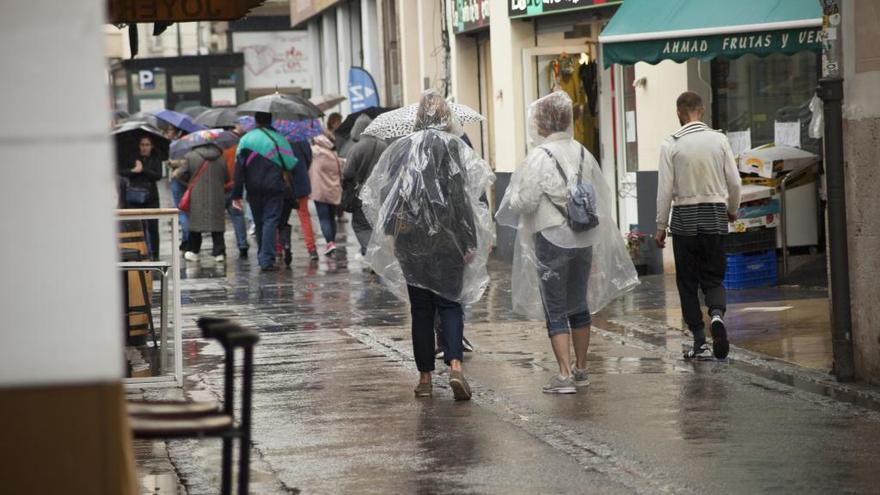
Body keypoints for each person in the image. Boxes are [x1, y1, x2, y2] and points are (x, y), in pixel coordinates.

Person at [496, 91, 638, 394]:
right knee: (579, 303)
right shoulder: (582, 152)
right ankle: (582, 368)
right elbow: (599, 193)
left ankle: (563, 374)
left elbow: (527, 201)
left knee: (556, 306)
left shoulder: (539, 157)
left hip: (551, 236)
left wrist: (515, 195)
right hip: (583, 236)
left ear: (543, 122)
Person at [360, 90, 495, 401]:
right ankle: (456, 366)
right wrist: (469, 240)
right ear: (446, 117)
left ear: (417, 118)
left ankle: (424, 378)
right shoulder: (455, 148)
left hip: (411, 242)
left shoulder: (400, 149)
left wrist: (393, 234)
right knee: (450, 303)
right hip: (449, 242)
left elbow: (386, 196)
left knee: (421, 310)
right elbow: (464, 199)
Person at [655, 91, 742, 360]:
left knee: (687, 282)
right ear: (701, 111)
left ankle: (699, 340)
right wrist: (732, 210)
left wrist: (660, 225)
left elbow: (664, 190)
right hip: (715, 216)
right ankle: (716, 315)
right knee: (714, 277)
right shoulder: (719, 140)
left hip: (684, 221)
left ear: (679, 113)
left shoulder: (671, 144)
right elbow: (735, 182)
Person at [232, 112, 298, 272]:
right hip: (274, 186)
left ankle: (264, 255)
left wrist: (237, 194)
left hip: (252, 187)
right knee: (271, 220)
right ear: (271, 120)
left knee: (259, 220)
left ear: (256, 120)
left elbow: (238, 168)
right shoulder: (279, 139)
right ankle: (266, 259)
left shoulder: (246, 139)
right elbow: (290, 164)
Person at [174, 144, 228, 262]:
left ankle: (194, 251)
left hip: (196, 194)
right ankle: (219, 252)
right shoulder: (220, 157)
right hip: (217, 195)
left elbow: (180, 174)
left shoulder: (190, 156)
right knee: (216, 224)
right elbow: (226, 176)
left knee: (196, 224)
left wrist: (187, 182)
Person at [342, 114, 385, 257]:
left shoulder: (356, 148)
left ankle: (370, 253)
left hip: (361, 192)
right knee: (375, 224)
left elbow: (347, 173)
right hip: (380, 192)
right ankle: (375, 252)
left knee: (361, 225)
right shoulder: (383, 145)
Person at [119, 136, 163, 260]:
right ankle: (141, 254)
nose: (144, 147)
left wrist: (143, 170)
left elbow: (158, 175)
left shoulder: (156, 157)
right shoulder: (132, 157)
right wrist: (134, 170)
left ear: (151, 146)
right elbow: (123, 172)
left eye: (147, 145)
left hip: (151, 197)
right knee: (138, 227)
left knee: (153, 227)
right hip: (135, 197)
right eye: (142, 144)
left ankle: (155, 254)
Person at [280, 138, 318, 264]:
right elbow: (308, 160)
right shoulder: (302, 140)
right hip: (301, 181)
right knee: (304, 215)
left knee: (279, 218)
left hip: (283, 184)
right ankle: (311, 249)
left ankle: (279, 248)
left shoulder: (278, 140)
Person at [309, 135, 343, 257]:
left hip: (319, 191)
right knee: (331, 217)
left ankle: (329, 242)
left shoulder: (315, 153)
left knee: (323, 218)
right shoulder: (333, 155)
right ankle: (332, 241)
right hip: (332, 190)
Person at [223, 121, 250, 258]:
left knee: (218, 220)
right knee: (238, 216)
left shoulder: (220, 151)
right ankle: (243, 244)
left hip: (221, 188)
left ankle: (220, 249)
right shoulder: (239, 149)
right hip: (236, 186)